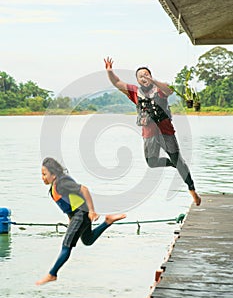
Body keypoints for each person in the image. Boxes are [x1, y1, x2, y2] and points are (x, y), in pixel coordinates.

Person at [104, 57, 201, 206]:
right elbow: (117, 83)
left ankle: (192, 191)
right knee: (151, 162)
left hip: (166, 132)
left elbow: (169, 90)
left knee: (179, 160)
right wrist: (110, 71)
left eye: (146, 74)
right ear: (137, 80)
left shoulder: (160, 90)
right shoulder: (135, 92)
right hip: (149, 134)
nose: (144, 77)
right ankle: (173, 164)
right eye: (140, 76)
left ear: (151, 75)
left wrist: (154, 81)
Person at [36, 157, 126, 285]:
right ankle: (107, 221)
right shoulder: (53, 189)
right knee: (88, 240)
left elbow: (83, 189)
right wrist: (70, 222)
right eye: (42, 174)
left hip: (82, 214)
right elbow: (68, 206)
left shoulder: (62, 182)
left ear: (54, 175)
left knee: (66, 245)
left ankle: (52, 274)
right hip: (78, 216)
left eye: (45, 174)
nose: (43, 177)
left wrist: (91, 211)